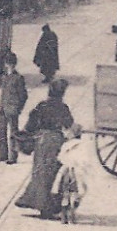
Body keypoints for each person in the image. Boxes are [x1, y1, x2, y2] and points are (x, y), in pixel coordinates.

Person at [14, 77, 75, 218]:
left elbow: (30, 124)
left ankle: (35, 201)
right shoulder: (63, 107)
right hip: (56, 142)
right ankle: (45, 206)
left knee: (39, 173)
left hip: (41, 142)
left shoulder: (41, 106)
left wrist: (25, 134)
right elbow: (69, 124)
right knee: (50, 174)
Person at [0, 53, 27, 164]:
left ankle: (13, 157)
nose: (8, 65)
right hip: (3, 108)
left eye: (10, 63)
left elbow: (23, 95)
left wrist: (19, 108)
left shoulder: (18, 78)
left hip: (12, 109)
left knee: (13, 134)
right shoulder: (5, 77)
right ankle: (2, 155)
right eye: (7, 63)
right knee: (1, 132)